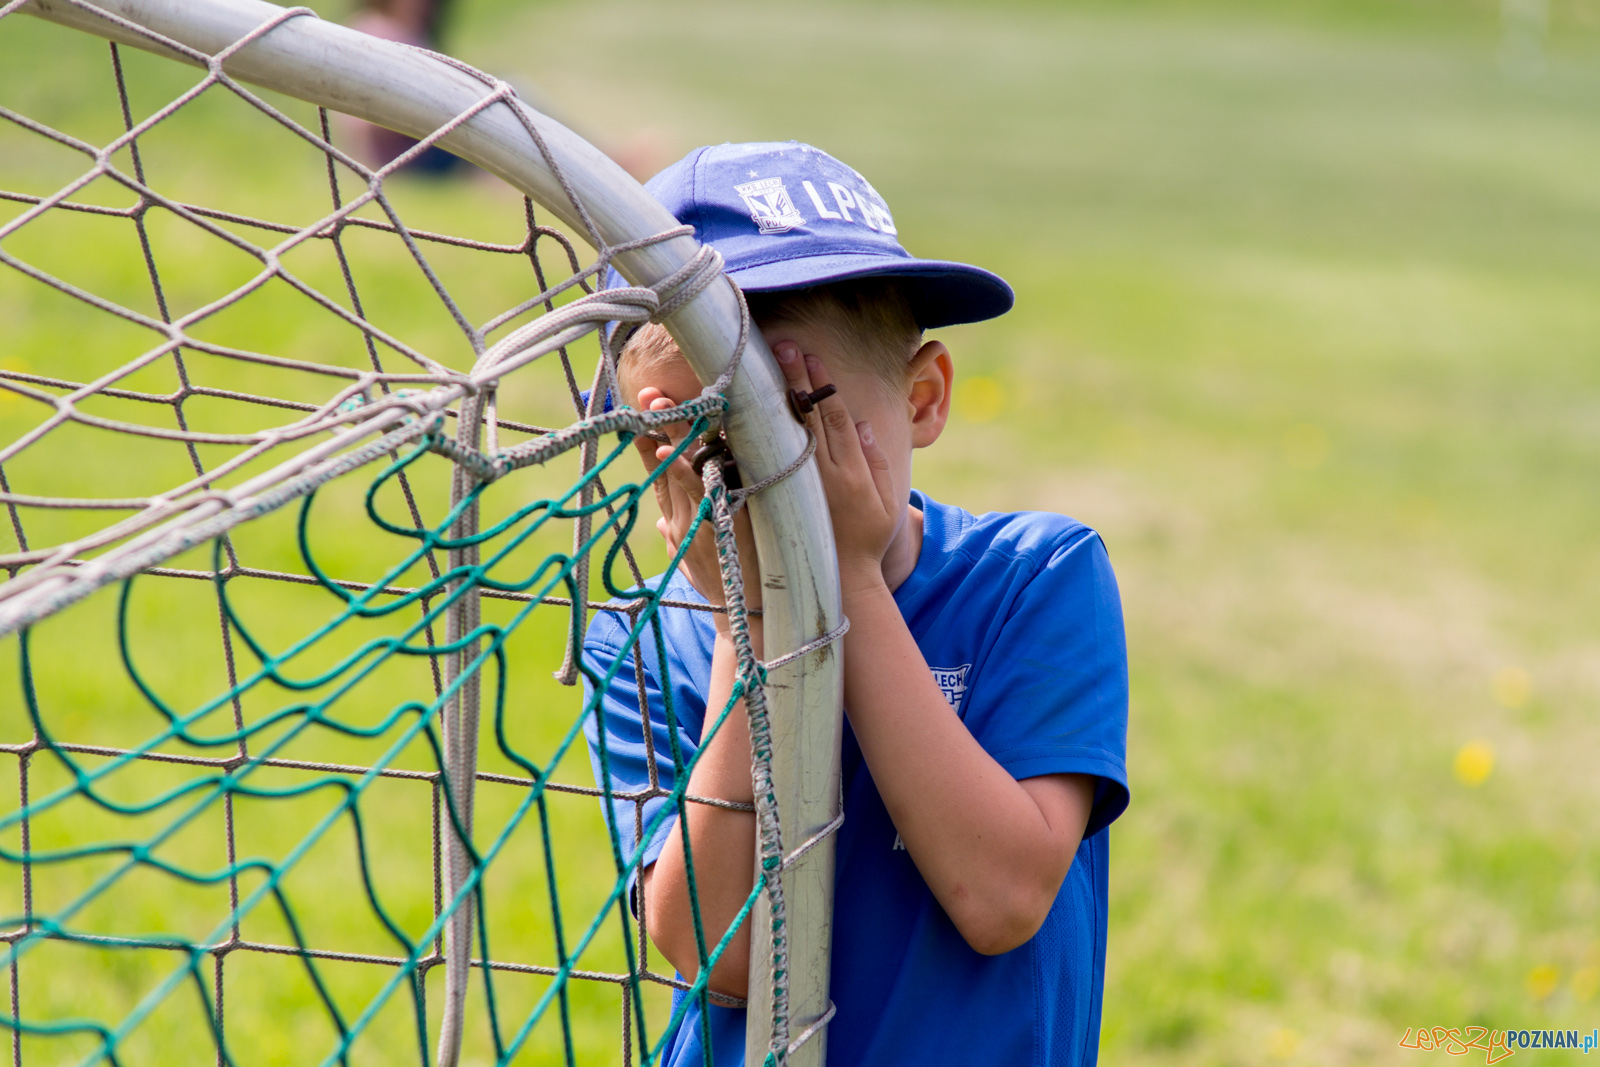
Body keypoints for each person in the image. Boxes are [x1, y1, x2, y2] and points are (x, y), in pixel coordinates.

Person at [581, 141, 1129, 1067]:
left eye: (801, 416)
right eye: (702, 441)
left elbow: (1000, 901)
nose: (758, 476)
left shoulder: (1033, 579)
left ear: (922, 398)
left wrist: (854, 582)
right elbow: (725, 952)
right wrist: (742, 626)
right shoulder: (636, 643)